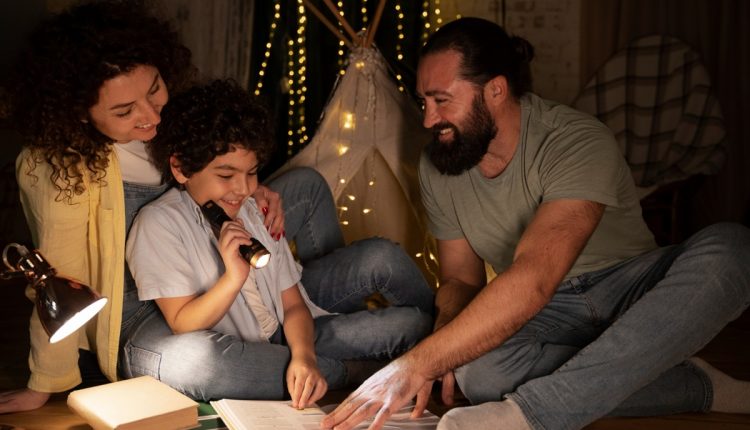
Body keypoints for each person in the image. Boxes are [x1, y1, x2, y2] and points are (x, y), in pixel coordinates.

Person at [0, 0, 432, 414]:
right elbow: (54, 279)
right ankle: (353, 368)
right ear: (79, 113)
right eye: (125, 111)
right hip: (147, 309)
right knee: (203, 363)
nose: (152, 116)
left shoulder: (174, 124)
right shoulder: (58, 169)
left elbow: (216, 164)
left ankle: (316, 325)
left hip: (221, 255)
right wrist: (45, 383)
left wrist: (250, 189)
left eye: (155, 90)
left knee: (305, 186)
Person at [322, 17, 750, 430]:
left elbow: (536, 277)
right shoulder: (438, 166)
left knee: (733, 249)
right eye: (423, 101)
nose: (429, 120)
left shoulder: (575, 140)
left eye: (441, 100)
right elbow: (460, 281)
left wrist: (414, 364)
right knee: (479, 374)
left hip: (630, 290)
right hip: (549, 313)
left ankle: (532, 415)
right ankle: (690, 386)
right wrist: (448, 347)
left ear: (495, 90)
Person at [124, 79, 432, 405]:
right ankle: (369, 373)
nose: (242, 189)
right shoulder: (159, 224)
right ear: (181, 167)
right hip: (247, 350)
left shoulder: (253, 209)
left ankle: (435, 357)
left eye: (252, 172)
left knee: (414, 323)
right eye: (226, 176)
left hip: (296, 333)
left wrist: (304, 356)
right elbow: (182, 321)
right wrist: (233, 279)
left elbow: (293, 304)